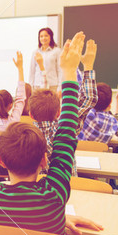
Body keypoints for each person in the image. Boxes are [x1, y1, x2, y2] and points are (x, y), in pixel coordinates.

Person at [0, 31, 83, 235]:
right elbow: (65, 136)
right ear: (45, 160)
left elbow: (65, 136)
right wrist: (69, 73)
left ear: (0, 159)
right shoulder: (55, 196)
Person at [29, 39, 98, 176]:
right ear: (59, 112)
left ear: (30, 114)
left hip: (37, 193)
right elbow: (89, 99)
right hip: (67, 192)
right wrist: (88, 65)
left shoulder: (24, 137)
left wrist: (42, 68)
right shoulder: (66, 128)